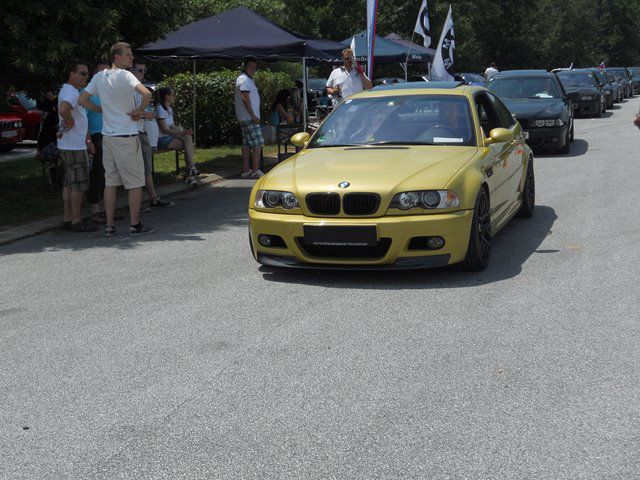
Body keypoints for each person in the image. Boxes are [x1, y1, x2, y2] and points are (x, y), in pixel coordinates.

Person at [78, 41, 154, 237]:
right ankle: (135, 224)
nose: (131, 58)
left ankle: (110, 225)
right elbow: (146, 93)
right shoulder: (126, 75)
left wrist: (99, 109)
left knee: (110, 182)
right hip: (126, 137)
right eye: (128, 55)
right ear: (117, 57)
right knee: (135, 183)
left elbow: (82, 100)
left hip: (107, 137)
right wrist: (139, 111)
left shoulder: (99, 77)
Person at [56, 60, 98, 232]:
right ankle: (76, 221)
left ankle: (68, 219)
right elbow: (63, 109)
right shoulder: (71, 93)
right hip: (73, 146)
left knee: (69, 183)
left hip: (69, 144)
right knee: (79, 184)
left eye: (87, 74)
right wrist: (70, 121)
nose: (86, 77)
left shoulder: (69, 90)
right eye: (82, 73)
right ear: (71, 74)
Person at [130, 62, 174, 208]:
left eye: (144, 70)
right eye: (140, 70)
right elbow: (129, 111)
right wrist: (144, 115)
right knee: (138, 170)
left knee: (146, 168)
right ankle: (146, 201)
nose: (143, 73)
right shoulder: (129, 88)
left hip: (142, 132)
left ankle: (152, 198)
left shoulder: (141, 89)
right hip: (133, 133)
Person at [154, 87, 199, 179]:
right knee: (188, 144)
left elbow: (172, 126)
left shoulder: (169, 108)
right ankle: (191, 169)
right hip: (162, 139)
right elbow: (164, 130)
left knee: (187, 138)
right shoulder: (159, 108)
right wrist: (182, 132)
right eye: (173, 95)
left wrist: (184, 132)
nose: (175, 97)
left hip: (169, 137)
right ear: (167, 97)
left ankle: (191, 169)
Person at [86, 60, 110, 223]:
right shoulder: (88, 93)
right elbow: (83, 121)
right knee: (98, 173)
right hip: (96, 136)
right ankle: (94, 209)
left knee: (108, 175)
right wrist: (89, 141)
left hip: (110, 135)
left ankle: (104, 208)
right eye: (101, 73)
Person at [234, 57, 264, 178]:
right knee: (258, 143)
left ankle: (246, 170)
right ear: (245, 66)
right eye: (251, 67)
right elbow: (245, 97)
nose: (253, 70)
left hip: (244, 117)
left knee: (246, 145)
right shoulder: (244, 79)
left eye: (254, 68)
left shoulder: (244, 79)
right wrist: (253, 115)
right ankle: (256, 170)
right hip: (249, 118)